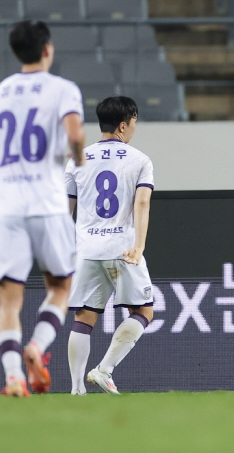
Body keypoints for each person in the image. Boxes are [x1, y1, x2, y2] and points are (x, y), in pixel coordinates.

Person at [0, 20, 85, 397]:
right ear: (47, 49)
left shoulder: (2, 91)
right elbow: (74, 134)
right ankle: (36, 346)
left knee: (8, 298)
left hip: (8, 206)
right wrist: (78, 158)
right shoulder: (63, 89)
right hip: (48, 203)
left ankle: (14, 375)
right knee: (61, 286)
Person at [64, 96, 154, 395]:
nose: (134, 129)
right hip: (123, 248)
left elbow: (66, 210)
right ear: (123, 124)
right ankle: (104, 370)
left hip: (87, 250)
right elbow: (142, 202)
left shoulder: (77, 158)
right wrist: (139, 245)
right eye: (135, 122)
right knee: (143, 311)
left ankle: (77, 389)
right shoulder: (140, 160)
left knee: (84, 317)